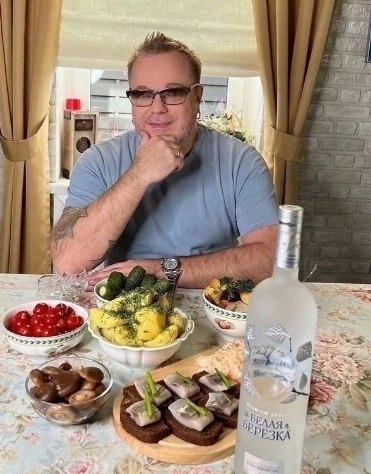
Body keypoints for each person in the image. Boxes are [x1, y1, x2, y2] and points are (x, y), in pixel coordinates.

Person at [51, 32, 279, 289]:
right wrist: (140, 173)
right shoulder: (98, 161)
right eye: (142, 93)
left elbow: (268, 261)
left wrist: (161, 270)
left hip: (211, 301)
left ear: (198, 96)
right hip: (124, 304)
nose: (157, 108)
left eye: (172, 92)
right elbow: (67, 264)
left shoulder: (242, 162)